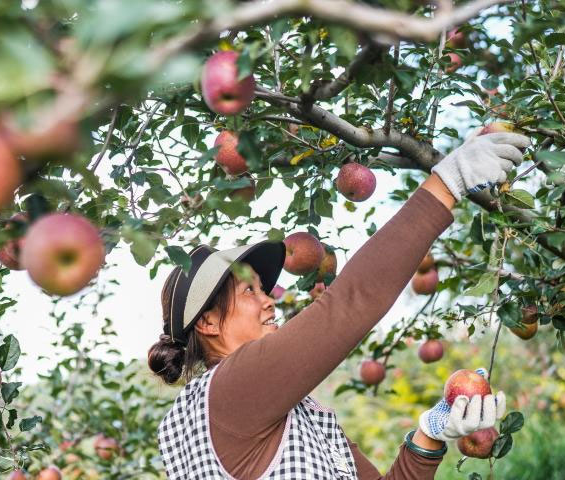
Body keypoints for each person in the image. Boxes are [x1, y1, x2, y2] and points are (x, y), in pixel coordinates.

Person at [148, 131, 531, 479]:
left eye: (265, 290)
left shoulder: (288, 416)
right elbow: (350, 302)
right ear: (208, 323)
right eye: (250, 291)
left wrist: (429, 435)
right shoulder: (230, 390)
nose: (269, 303)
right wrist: (449, 182)